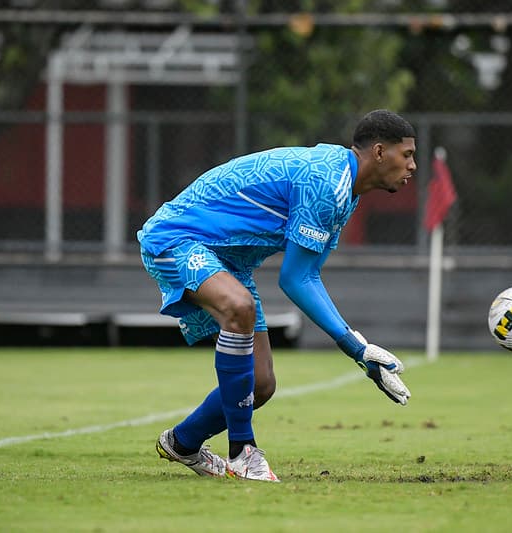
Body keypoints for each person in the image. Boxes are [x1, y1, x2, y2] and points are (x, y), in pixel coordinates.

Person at [137, 109, 415, 482]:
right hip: (179, 238)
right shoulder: (326, 181)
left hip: (229, 258)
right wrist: (355, 346)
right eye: (408, 154)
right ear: (380, 152)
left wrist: (360, 350)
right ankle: (243, 453)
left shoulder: (345, 192)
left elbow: (305, 273)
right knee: (239, 306)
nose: (413, 165)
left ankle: (182, 442)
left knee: (261, 383)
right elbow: (295, 279)